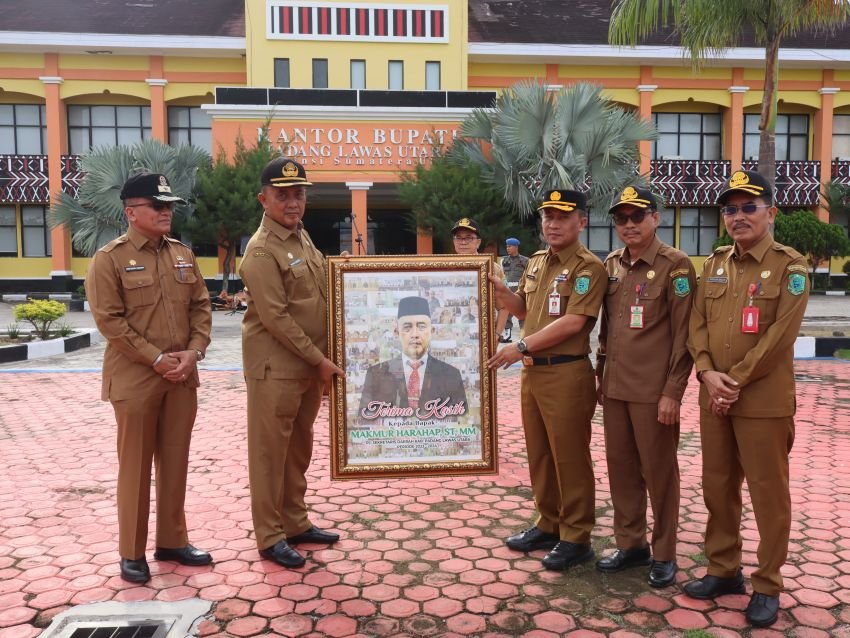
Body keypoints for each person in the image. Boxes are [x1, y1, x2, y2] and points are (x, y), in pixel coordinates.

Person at [685, 170, 809, 628]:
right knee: (717, 487)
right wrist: (706, 373)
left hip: (762, 402)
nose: (738, 217)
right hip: (714, 395)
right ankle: (722, 569)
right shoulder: (714, 264)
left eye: (748, 207)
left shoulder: (790, 267)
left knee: (767, 495)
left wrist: (730, 381)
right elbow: (696, 323)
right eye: (730, 209)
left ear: (771, 213)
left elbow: (780, 337)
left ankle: (767, 583)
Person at [85, 172, 212, 584]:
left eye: (169, 205)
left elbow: (201, 307)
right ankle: (132, 552)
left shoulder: (182, 254)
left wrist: (193, 353)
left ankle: (173, 540)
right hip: (136, 378)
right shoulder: (110, 259)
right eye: (157, 206)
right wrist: (157, 358)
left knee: (176, 463)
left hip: (181, 376)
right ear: (131, 212)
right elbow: (110, 321)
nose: (166, 212)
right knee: (135, 467)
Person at [487, 189, 606, 571]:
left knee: (569, 458)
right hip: (534, 372)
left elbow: (574, 321)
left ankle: (576, 536)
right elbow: (523, 309)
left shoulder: (589, 268)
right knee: (539, 454)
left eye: (562, 217)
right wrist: (503, 293)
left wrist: (519, 346)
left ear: (581, 222)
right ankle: (548, 522)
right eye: (548, 217)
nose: (553, 224)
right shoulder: (537, 263)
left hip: (567, 373)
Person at [239, 157, 345, 569]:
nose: (292, 202)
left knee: (298, 449)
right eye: (282, 195)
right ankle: (270, 535)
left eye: (298, 194)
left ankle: (296, 522)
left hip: (305, 368)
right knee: (270, 455)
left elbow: (321, 294)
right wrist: (321, 360)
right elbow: (277, 318)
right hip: (276, 370)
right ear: (263, 199)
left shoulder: (302, 241)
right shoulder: (262, 251)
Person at [594, 186, 696, 588]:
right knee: (621, 472)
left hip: (654, 393)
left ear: (656, 217)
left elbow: (684, 335)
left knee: (660, 474)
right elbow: (607, 329)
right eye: (622, 219)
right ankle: (631, 544)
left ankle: (666, 552)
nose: (629, 225)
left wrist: (673, 391)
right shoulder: (613, 264)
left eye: (638, 216)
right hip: (615, 389)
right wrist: (601, 374)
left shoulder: (677, 265)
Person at [358, 296, 467, 416]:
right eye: (407, 327)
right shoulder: (375, 375)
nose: (415, 334)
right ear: (397, 332)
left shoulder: (452, 375)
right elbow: (365, 421)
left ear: (432, 331)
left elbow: (461, 423)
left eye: (421, 327)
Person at [450, 217, 509, 340]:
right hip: (453, 336)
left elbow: (504, 307)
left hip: (483, 339)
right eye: (458, 238)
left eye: (469, 237)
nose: (463, 242)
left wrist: (496, 336)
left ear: (478, 242)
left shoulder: (492, 268)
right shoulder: (443, 268)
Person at [500, 237, 529, 342]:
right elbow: (502, 275)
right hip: (508, 291)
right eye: (507, 246)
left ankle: (524, 336)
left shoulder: (525, 261)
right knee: (507, 314)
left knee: (522, 314)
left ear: (516, 247)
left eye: (510, 246)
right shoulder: (504, 260)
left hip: (520, 291)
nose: (507, 248)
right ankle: (508, 336)